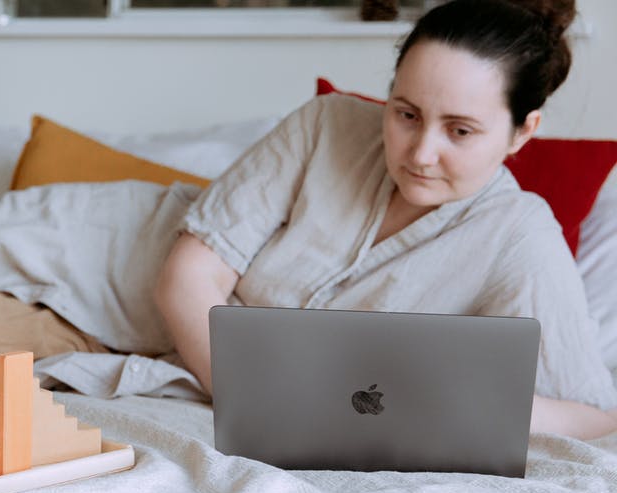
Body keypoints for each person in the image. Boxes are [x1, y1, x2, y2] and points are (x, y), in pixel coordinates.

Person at [155, 0, 617, 440]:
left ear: (523, 132)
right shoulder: (326, 124)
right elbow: (185, 278)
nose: (421, 153)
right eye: (406, 114)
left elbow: (595, 418)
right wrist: (260, 404)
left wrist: (459, 403)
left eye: (459, 130)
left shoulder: (521, 238)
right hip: (103, 270)